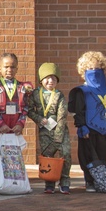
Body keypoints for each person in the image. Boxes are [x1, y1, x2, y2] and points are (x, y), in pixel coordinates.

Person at [68, 51, 106, 193]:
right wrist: (81, 126)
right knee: (87, 156)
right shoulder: (81, 91)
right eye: (90, 69)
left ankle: (101, 180)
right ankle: (89, 181)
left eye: (97, 68)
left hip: (103, 128)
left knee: (102, 155)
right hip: (88, 129)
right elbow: (78, 111)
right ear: (83, 71)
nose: (94, 72)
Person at [26, 62, 72, 194]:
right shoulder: (35, 94)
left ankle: (64, 182)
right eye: (47, 77)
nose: (50, 81)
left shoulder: (59, 95)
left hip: (60, 131)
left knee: (66, 154)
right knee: (48, 156)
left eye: (54, 78)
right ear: (41, 79)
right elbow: (29, 110)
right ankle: (49, 183)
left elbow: (62, 115)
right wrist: (39, 119)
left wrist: (59, 135)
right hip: (45, 131)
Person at [0, 52, 33, 150]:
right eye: (6, 67)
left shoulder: (22, 87)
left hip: (16, 124)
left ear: (17, 69)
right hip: (1, 125)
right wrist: (0, 124)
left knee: (15, 153)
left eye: (12, 67)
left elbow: (26, 107)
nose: (9, 70)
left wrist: (21, 124)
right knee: (0, 152)